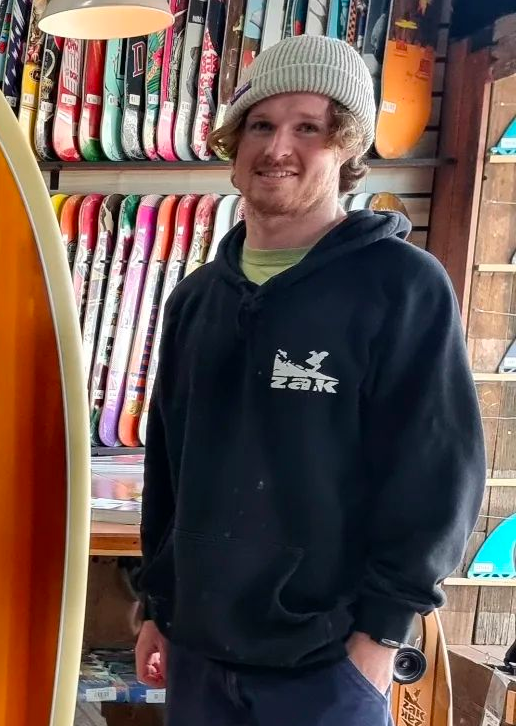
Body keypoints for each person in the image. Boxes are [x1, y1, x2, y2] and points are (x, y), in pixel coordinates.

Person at [134, 34, 486, 725]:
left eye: (309, 128)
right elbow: (170, 472)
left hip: (325, 666)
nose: (277, 149)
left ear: (347, 146)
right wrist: (159, 606)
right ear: (233, 144)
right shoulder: (198, 299)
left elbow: (438, 475)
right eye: (260, 125)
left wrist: (380, 634)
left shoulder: (402, 286)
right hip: (200, 657)